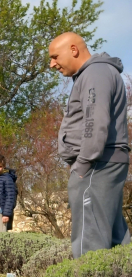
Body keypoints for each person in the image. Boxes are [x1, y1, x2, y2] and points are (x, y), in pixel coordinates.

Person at [49, 32, 130, 258]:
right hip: (103, 162)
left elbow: (95, 122)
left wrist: (83, 165)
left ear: (73, 50)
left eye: (55, 56)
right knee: (115, 238)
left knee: (89, 241)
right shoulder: (97, 73)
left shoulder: (95, 73)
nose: (51, 64)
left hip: (96, 164)